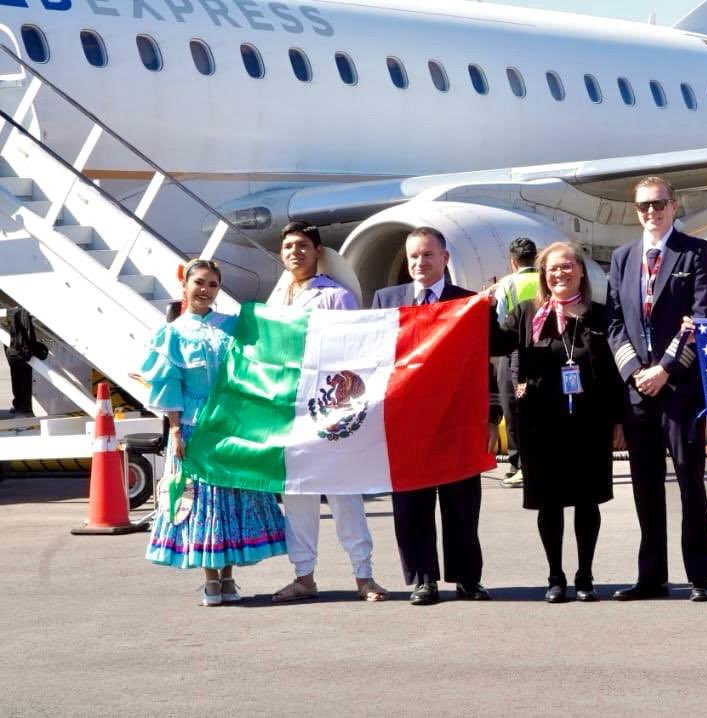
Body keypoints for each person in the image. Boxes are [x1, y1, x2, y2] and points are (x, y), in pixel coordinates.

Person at [142, 259, 288, 605]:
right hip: (195, 427)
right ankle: (210, 580)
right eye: (199, 283)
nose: (205, 290)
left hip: (232, 426)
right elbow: (169, 385)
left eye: (212, 285)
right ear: (185, 287)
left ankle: (228, 578)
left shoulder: (233, 326)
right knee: (204, 502)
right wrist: (176, 430)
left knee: (232, 500)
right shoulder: (173, 333)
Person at [491, 242, 625, 602]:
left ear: (581, 271)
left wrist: (617, 420)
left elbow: (613, 373)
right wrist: (484, 308)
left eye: (567, 266)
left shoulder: (598, 315)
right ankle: (555, 576)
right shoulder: (525, 314)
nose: (560, 273)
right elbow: (494, 342)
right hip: (541, 424)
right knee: (549, 503)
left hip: (589, 424)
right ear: (543, 276)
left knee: (587, 501)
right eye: (552, 269)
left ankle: (585, 575)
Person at [606, 176, 707, 602]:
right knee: (644, 486)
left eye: (657, 205)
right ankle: (651, 576)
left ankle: (700, 577)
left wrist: (666, 369)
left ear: (674, 206)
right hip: (639, 392)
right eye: (643, 207)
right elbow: (615, 324)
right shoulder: (623, 257)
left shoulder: (696, 252)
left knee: (690, 483)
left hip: (679, 389)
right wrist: (636, 371)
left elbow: (701, 318)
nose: (650, 213)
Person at [269, 221, 388, 603]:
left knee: (344, 495)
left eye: (302, 245)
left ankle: (363, 575)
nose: (295, 252)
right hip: (289, 411)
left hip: (328, 408)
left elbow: (354, 352)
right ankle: (303, 576)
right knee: (298, 496)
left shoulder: (335, 296)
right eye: (288, 246)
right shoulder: (276, 300)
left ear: (317, 251)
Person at [372, 227, 491, 606]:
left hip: (456, 419)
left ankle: (467, 579)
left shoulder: (468, 303)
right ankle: (423, 580)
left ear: (445, 258)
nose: (419, 263)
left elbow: (486, 364)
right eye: (413, 257)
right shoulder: (386, 300)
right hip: (405, 423)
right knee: (411, 506)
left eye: (427, 255)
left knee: (461, 504)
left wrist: (494, 414)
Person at [492, 237, 541, 489]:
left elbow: (500, 318)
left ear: (513, 262)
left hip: (513, 350)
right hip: (544, 350)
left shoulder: (508, 284)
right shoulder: (545, 280)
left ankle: (516, 465)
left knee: (513, 411)